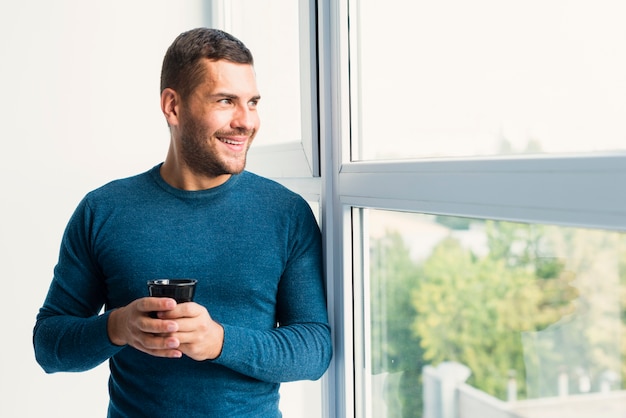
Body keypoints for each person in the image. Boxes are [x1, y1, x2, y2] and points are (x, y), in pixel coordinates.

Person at [33, 27, 332, 417]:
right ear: (173, 106)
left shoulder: (286, 213)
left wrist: (220, 341)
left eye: (253, 102)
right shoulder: (102, 210)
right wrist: (118, 326)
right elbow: (48, 346)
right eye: (226, 101)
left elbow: (314, 348)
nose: (247, 121)